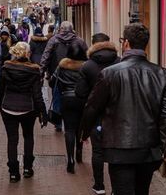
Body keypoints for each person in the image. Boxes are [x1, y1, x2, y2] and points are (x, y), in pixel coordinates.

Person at [82, 24, 166, 195]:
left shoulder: (109, 74)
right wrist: (162, 148)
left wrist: (84, 133)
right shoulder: (162, 74)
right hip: (148, 149)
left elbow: (92, 107)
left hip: (119, 149)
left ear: (125, 44)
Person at [0, 42, 48, 182]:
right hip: (28, 108)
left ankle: (13, 172)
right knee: (28, 136)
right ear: (28, 54)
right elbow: (37, 95)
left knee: (12, 140)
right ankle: (27, 168)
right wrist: (42, 112)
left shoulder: (6, 68)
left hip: (8, 107)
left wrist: (0, 106)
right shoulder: (34, 70)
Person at [76, 33, 120, 194]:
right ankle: (116, 187)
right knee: (117, 151)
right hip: (117, 114)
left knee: (98, 151)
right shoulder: (121, 62)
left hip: (96, 116)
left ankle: (99, 185)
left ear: (93, 45)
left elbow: (80, 93)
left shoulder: (87, 66)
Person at [40, 21, 88, 132]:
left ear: (60, 29)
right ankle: (74, 119)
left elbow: (46, 55)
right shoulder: (79, 40)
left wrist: (41, 71)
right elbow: (87, 55)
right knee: (76, 95)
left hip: (57, 73)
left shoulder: (54, 40)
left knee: (57, 97)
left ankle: (58, 122)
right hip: (76, 73)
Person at [52, 43, 87, 174]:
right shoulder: (86, 66)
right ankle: (79, 152)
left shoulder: (62, 66)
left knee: (70, 130)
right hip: (82, 100)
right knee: (80, 128)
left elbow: (52, 81)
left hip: (67, 99)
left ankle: (70, 160)